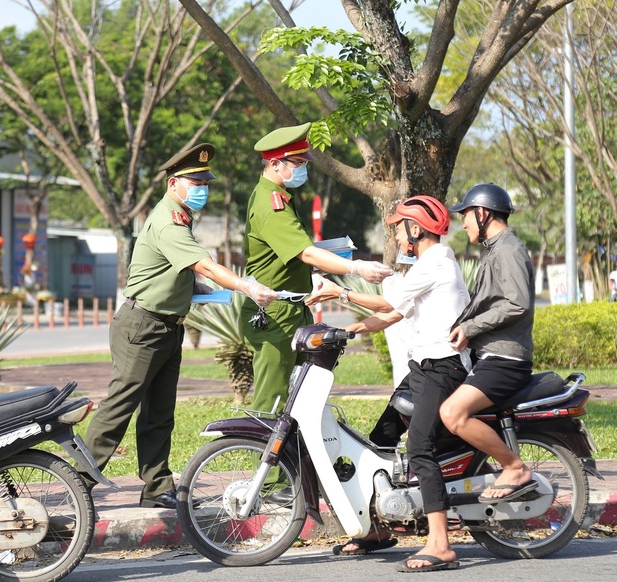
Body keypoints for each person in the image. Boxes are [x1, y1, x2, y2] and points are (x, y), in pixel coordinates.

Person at [81, 144, 278, 509]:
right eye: (196, 181)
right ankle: (79, 483)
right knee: (119, 408)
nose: (203, 188)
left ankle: (156, 488)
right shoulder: (168, 220)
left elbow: (175, 270)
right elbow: (202, 263)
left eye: (206, 182)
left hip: (168, 326)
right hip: (143, 326)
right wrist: (244, 285)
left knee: (160, 413)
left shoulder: (181, 217)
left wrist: (195, 288)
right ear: (174, 183)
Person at [307, 196, 469, 572]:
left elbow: (389, 303)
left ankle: (441, 544)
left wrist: (341, 293)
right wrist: (346, 330)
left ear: (415, 229)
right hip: (424, 367)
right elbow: (393, 314)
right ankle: (375, 530)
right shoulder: (427, 265)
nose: (395, 234)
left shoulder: (437, 263)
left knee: (420, 447)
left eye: (398, 227)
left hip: (442, 368)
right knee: (380, 438)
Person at [242, 122, 392, 415]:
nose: (302, 170)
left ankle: (293, 462)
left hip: (291, 308)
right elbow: (306, 254)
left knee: (299, 401)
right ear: (275, 163)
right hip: (275, 314)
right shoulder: (271, 204)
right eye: (296, 163)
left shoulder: (280, 197)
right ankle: (264, 461)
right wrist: (356, 268)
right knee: (271, 404)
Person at [439, 183, 537, 504]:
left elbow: (516, 304)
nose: (463, 223)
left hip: (505, 360)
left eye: (466, 215)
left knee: (453, 413)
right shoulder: (496, 249)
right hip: (491, 357)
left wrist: (469, 327)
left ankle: (514, 466)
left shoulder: (508, 250)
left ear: (482, 213)